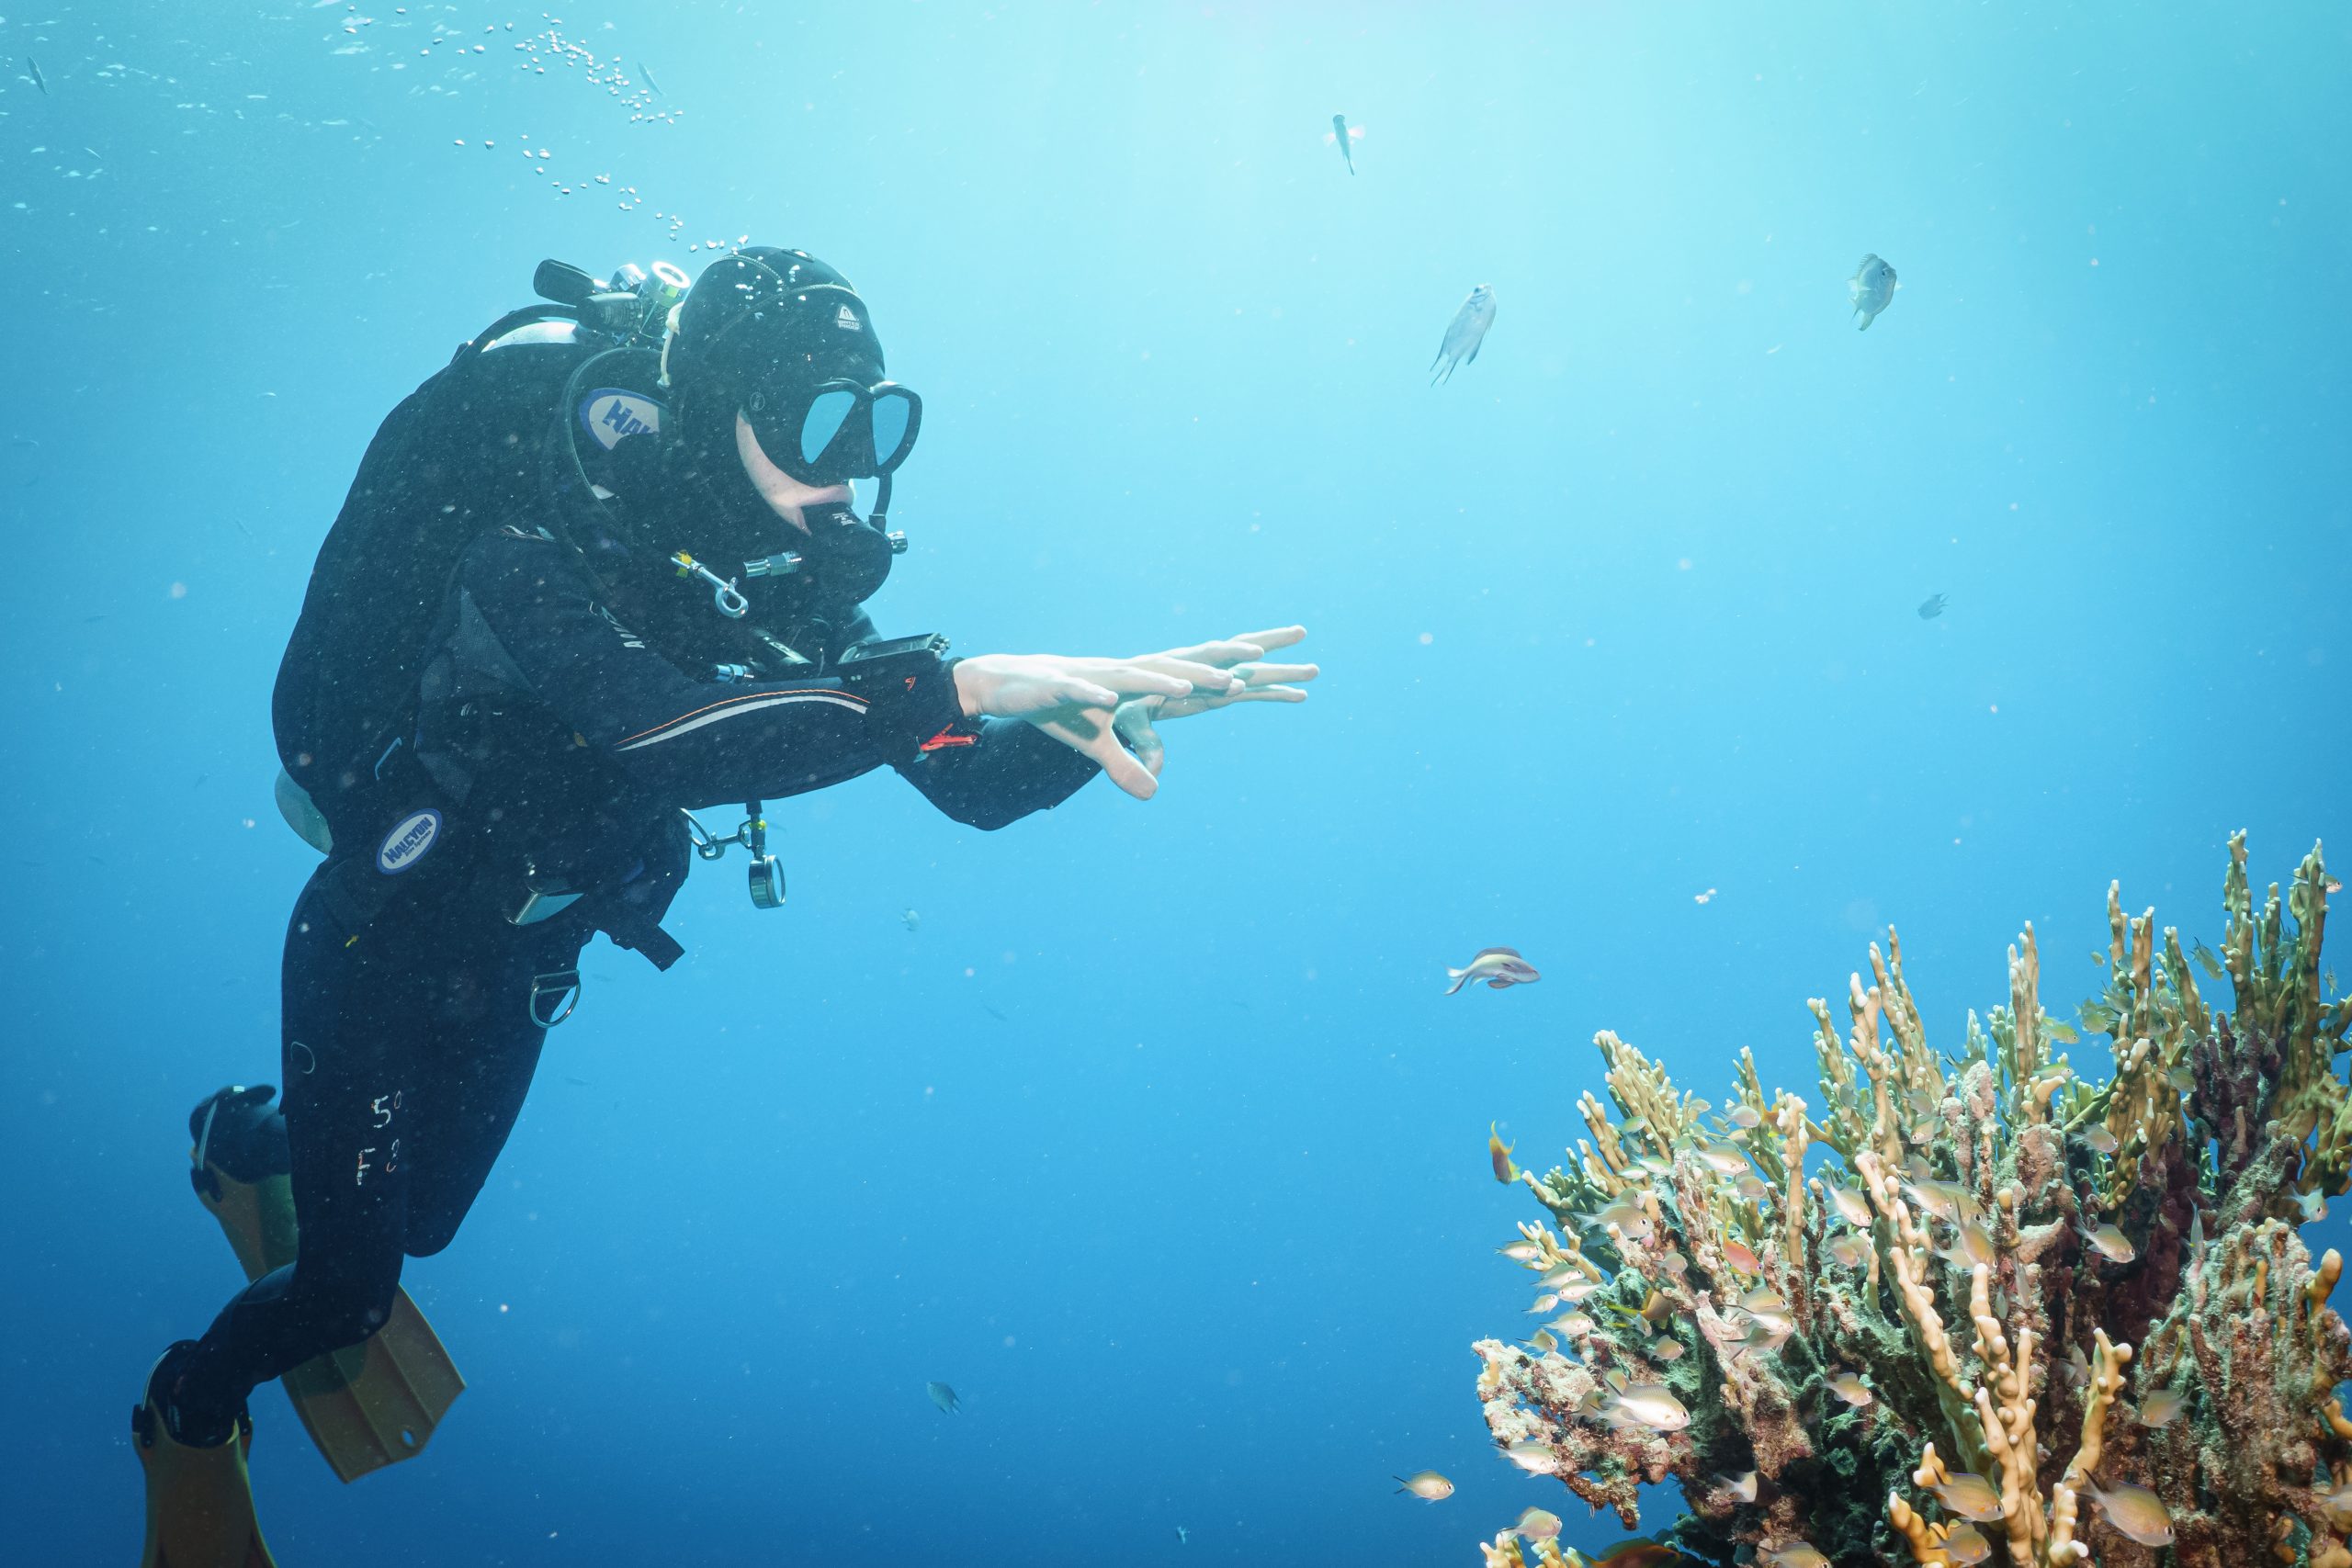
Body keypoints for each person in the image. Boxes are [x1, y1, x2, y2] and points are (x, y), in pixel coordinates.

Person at [132, 246, 1316, 1564]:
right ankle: (191, 1401)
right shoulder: (527, 543)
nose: (850, 469)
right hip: (376, 940)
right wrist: (957, 683)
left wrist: (1110, 716)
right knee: (354, 1297)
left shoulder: (753, 592)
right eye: (817, 423)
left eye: (875, 426)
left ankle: (263, 1145)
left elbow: (959, 789)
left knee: (427, 1223)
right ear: (717, 411)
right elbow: (680, 742)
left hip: (525, 954)